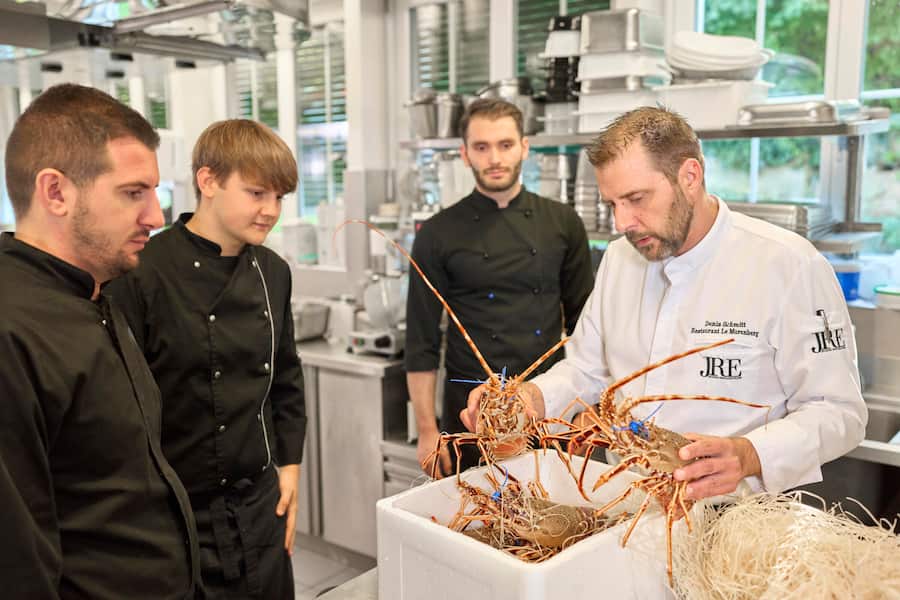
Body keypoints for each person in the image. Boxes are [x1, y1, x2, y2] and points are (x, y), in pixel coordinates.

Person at [463, 106, 868, 500]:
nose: (621, 223)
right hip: (622, 499)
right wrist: (529, 399)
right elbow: (586, 370)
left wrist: (750, 454)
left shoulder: (788, 264)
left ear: (690, 176)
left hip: (735, 514)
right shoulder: (621, 259)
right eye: (612, 204)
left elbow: (839, 411)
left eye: (636, 198)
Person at [0, 84, 199, 598]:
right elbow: (18, 565)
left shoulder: (97, 294)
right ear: (56, 192)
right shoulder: (12, 332)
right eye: (134, 192)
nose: (156, 217)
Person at [106, 119, 306, 598]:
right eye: (257, 193)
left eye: (279, 198)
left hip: (261, 505)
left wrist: (290, 469)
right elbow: (123, 409)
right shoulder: (143, 272)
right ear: (208, 181)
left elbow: (286, 379)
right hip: (178, 511)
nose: (270, 211)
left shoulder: (272, 272)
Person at [406, 98, 594, 477]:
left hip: (548, 406)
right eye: (481, 147)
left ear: (525, 146)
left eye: (505, 145)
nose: (494, 158)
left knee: (556, 518)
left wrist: (588, 410)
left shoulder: (563, 222)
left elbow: (584, 330)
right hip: (470, 415)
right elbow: (421, 344)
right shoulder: (437, 233)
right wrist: (428, 430)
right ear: (464, 154)